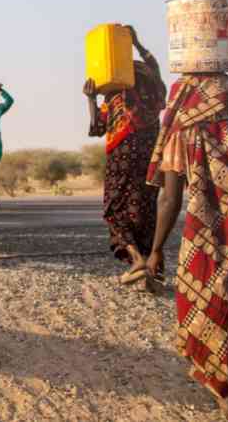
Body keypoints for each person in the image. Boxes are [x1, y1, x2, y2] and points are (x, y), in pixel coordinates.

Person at [144, 6, 228, 418]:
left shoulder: (183, 131)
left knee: (208, 311)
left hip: (205, 243)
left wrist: (155, 250)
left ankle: (225, 393)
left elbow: (169, 199)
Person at [83, 26, 166, 283]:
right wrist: (138, 43)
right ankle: (151, 267)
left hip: (123, 152)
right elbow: (156, 68)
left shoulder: (116, 88)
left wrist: (89, 99)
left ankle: (137, 260)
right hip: (153, 149)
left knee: (115, 207)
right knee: (144, 207)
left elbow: (98, 128)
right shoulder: (150, 80)